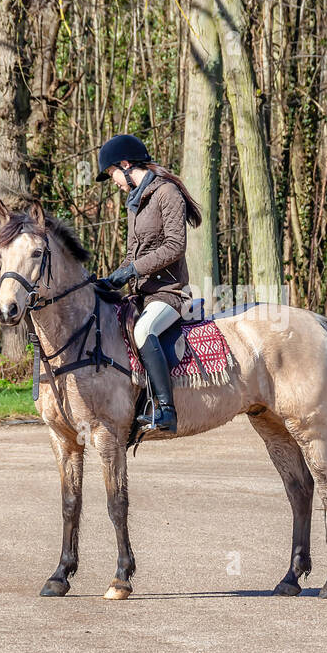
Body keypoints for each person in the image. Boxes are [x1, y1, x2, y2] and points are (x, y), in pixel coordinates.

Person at [96, 134, 203, 434]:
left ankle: (166, 410)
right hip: (142, 295)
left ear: (126, 165)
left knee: (144, 329)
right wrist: (110, 280)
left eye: (112, 174)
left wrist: (131, 270)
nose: (114, 182)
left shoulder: (167, 193)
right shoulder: (135, 202)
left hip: (170, 294)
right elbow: (132, 255)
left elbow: (175, 246)